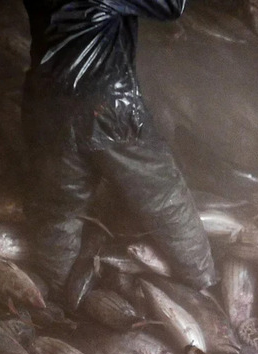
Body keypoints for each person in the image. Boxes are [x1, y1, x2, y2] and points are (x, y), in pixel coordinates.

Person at [21, 0, 217, 301]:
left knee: (56, 212)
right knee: (162, 197)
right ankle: (202, 281)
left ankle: (59, 299)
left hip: (46, 106)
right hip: (107, 106)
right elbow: (170, 6)